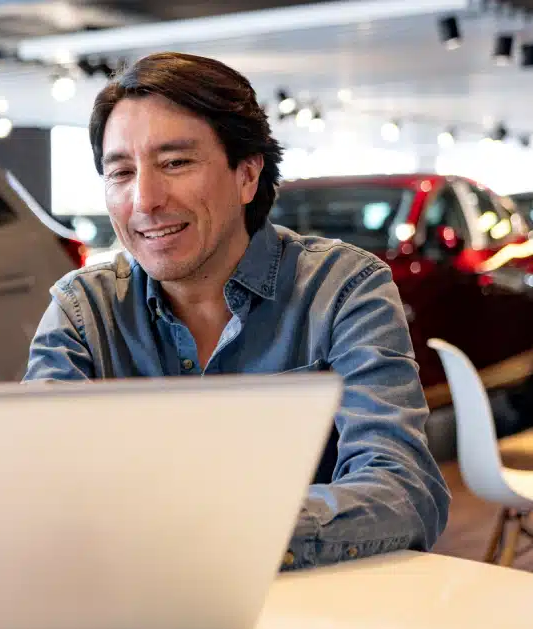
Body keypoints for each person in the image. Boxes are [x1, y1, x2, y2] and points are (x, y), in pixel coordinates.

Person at [23, 52, 450, 570]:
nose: (146, 199)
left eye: (175, 163)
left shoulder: (342, 289)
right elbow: (38, 492)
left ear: (247, 175)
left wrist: (226, 530)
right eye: (121, 172)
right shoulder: (81, 311)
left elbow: (403, 490)